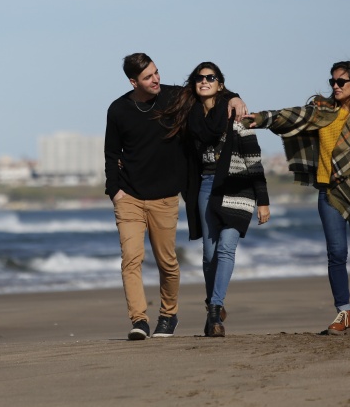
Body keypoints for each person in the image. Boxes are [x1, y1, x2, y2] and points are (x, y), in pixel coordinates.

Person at [105, 53, 247, 340]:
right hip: (129, 196)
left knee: (166, 262)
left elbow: (206, 85)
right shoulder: (118, 110)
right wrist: (115, 190)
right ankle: (139, 320)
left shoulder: (173, 97)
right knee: (130, 259)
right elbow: (111, 153)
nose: (156, 79)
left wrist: (235, 97)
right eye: (148, 77)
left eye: (156, 72)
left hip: (165, 197)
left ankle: (169, 315)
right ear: (134, 82)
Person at [244, 61, 350, 335]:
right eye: (332, 81)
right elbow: (293, 116)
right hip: (329, 190)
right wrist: (261, 118)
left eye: (341, 82)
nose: (335, 86)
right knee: (335, 254)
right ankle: (343, 311)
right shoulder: (323, 111)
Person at [157, 62, 271, 337]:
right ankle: (214, 306)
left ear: (220, 84)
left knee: (225, 250)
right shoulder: (189, 117)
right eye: (200, 77)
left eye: (211, 77)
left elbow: (253, 160)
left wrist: (262, 199)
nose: (205, 81)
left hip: (237, 186)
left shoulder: (236, 114)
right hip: (205, 187)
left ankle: (214, 310)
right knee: (209, 256)